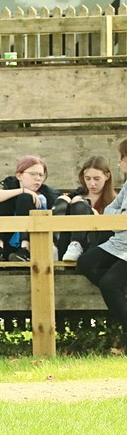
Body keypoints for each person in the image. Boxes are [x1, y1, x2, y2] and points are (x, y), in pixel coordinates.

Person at [76, 140, 127, 336]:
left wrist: (117, 217)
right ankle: (119, 295)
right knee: (85, 262)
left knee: (109, 283)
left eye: (121, 158)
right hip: (119, 242)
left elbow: (117, 219)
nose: (119, 163)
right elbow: (110, 211)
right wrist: (118, 216)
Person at [0, 156, 62, 261]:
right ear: (19, 175)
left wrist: (26, 194)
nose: (38, 178)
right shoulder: (10, 187)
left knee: (25, 198)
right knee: (3, 200)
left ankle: (25, 249)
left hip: (35, 242)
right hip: (7, 238)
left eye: (41, 175)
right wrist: (23, 190)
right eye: (33, 174)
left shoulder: (48, 195)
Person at [53, 155, 117, 262]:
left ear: (107, 176)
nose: (92, 183)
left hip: (96, 247)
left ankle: (76, 244)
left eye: (97, 179)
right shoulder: (76, 196)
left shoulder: (114, 201)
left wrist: (96, 217)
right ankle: (54, 246)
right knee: (67, 201)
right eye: (87, 178)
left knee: (81, 205)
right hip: (66, 248)